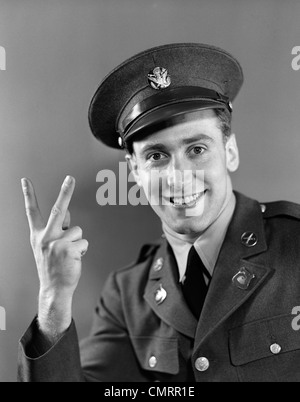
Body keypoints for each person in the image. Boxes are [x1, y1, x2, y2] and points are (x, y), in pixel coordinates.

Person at [18, 43, 300, 382]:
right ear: (135, 173)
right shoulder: (126, 295)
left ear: (230, 152)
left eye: (197, 149)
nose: (178, 176)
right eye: (156, 156)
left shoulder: (294, 245)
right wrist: (53, 299)